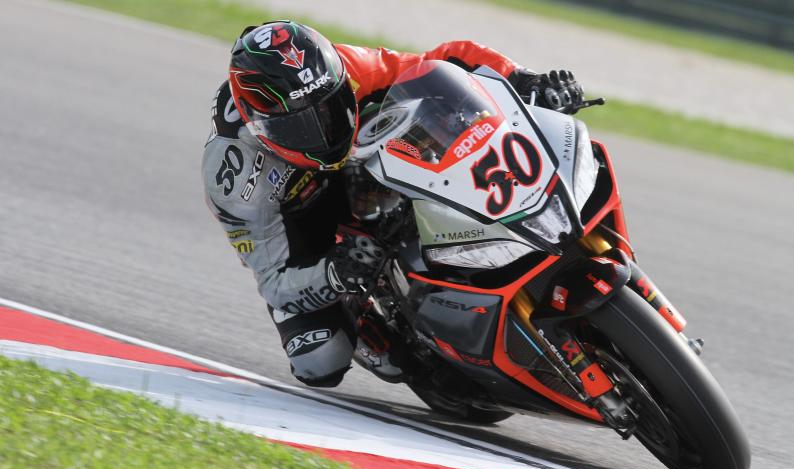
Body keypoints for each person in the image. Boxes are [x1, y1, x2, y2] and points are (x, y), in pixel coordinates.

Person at [202, 21, 584, 388]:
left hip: (364, 161)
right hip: (300, 224)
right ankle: (372, 318)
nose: (321, 132)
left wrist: (524, 79)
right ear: (257, 125)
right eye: (298, 127)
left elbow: (445, 62)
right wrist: (334, 273)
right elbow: (273, 281)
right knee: (319, 361)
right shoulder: (233, 175)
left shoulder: (351, 66)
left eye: (331, 107)